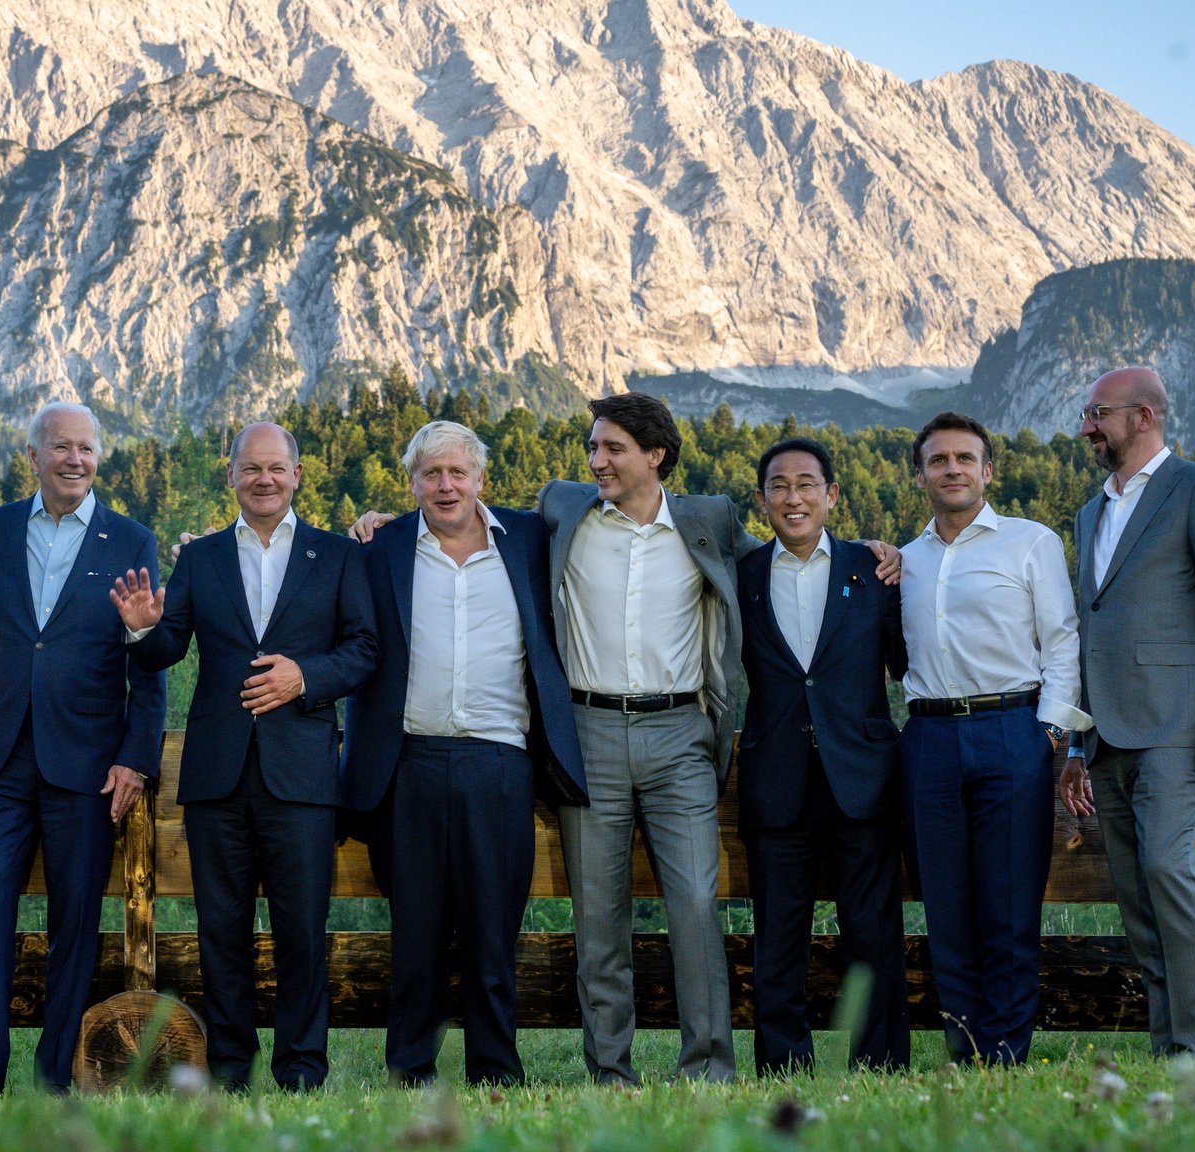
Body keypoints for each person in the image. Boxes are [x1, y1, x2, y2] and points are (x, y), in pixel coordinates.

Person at [349, 393, 899, 1084]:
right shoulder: (562, 510)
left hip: (680, 737)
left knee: (697, 905)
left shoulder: (708, 519)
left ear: (655, 455)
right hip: (588, 734)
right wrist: (382, 525)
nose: (595, 460)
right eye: (593, 447)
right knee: (598, 917)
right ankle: (610, 1070)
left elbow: (787, 559)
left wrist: (869, 557)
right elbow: (458, 519)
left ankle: (707, 1067)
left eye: (611, 448)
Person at [111, 422, 377, 1091]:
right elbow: (165, 648)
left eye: (276, 468)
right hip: (217, 775)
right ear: (230, 475)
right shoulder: (200, 559)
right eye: (250, 468)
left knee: (301, 934)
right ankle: (230, 1069)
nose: (263, 478)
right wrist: (142, 625)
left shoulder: (336, 556)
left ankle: (301, 1070)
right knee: (221, 933)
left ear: (296, 475)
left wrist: (304, 677)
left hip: (304, 774)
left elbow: (365, 650)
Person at [340, 420, 588, 1087]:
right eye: (431, 473)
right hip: (408, 764)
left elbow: (603, 501)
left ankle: (497, 1073)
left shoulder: (531, 540)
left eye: (457, 472)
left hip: (500, 763)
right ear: (412, 482)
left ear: (481, 477)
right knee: (414, 936)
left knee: (492, 935)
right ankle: (408, 1072)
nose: (445, 485)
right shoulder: (380, 545)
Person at [0, 402, 166, 1095]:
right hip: (1, 754)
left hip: (89, 762)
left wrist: (137, 756)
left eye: (85, 448)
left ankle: (55, 1079)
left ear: (98, 457)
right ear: (33, 457)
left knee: (76, 923)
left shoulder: (132, 539)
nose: (73, 460)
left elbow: (150, 657)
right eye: (60, 448)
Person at [1059, 367, 1195, 1055]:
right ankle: (1165, 1046)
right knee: (1135, 895)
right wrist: (1078, 745)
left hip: (1179, 729)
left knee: (1168, 873)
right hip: (1107, 737)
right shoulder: (1091, 512)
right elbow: (1093, 630)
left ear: (1143, 415)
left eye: (1097, 415)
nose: (1086, 428)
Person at [897, 412, 1092, 1065]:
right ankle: (964, 1047)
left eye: (964, 458)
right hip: (927, 739)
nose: (952, 469)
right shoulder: (907, 559)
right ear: (920, 473)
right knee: (946, 908)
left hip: (1012, 731)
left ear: (988, 470)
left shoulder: (1030, 543)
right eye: (938, 460)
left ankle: (1005, 1051)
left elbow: (1063, 641)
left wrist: (1047, 734)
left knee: (1009, 908)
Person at [735, 436, 910, 1075]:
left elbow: (907, 662)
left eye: (807, 483)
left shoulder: (876, 570)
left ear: (832, 495)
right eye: (779, 486)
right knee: (778, 939)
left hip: (860, 777)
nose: (793, 497)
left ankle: (881, 1063)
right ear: (761, 500)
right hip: (776, 780)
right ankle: (783, 1067)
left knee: (872, 933)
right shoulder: (743, 577)